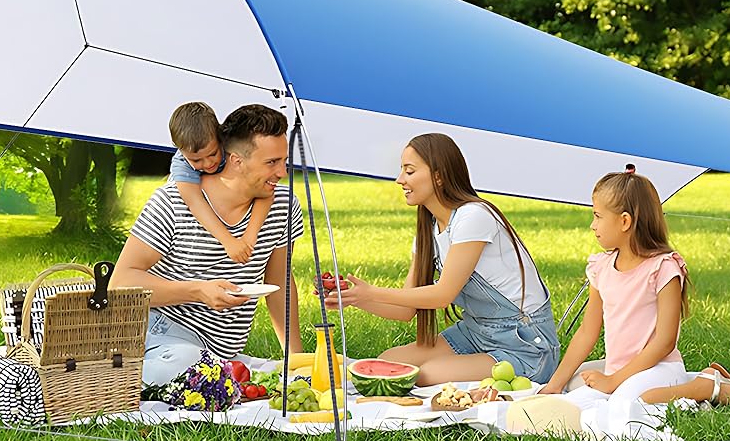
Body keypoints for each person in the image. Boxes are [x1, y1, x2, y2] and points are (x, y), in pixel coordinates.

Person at [327, 133, 560, 385]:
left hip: (523, 344)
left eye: (409, 171)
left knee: (427, 374)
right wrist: (352, 297)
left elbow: (442, 294)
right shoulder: (429, 229)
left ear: (438, 175)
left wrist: (372, 292)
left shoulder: (474, 216)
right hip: (475, 333)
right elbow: (406, 310)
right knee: (388, 362)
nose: (399, 180)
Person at [113, 104, 304, 386]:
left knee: (214, 370)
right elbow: (121, 283)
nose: (282, 172)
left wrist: (296, 361)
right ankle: (103, 378)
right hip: (162, 334)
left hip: (222, 352)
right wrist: (198, 291)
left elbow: (279, 282)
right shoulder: (172, 203)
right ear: (237, 160)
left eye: (283, 161)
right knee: (187, 364)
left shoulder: (283, 205)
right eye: (271, 163)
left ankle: (212, 370)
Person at [539, 169, 730, 409]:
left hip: (660, 367)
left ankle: (704, 387)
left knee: (628, 404)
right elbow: (588, 332)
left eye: (597, 216)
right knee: (574, 393)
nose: (592, 225)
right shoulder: (601, 268)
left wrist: (613, 382)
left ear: (625, 221)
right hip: (622, 371)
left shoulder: (663, 268)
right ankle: (697, 382)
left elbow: (665, 342)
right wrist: (555, 385)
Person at [168, 102, 273, 264]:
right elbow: (194, 202)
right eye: (196, 160)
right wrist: (228, 241)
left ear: (220, 136)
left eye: (213, 154)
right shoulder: (181, 164)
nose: (207, 163)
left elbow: (265, 190)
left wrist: (250, 235)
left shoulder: (234, 145)